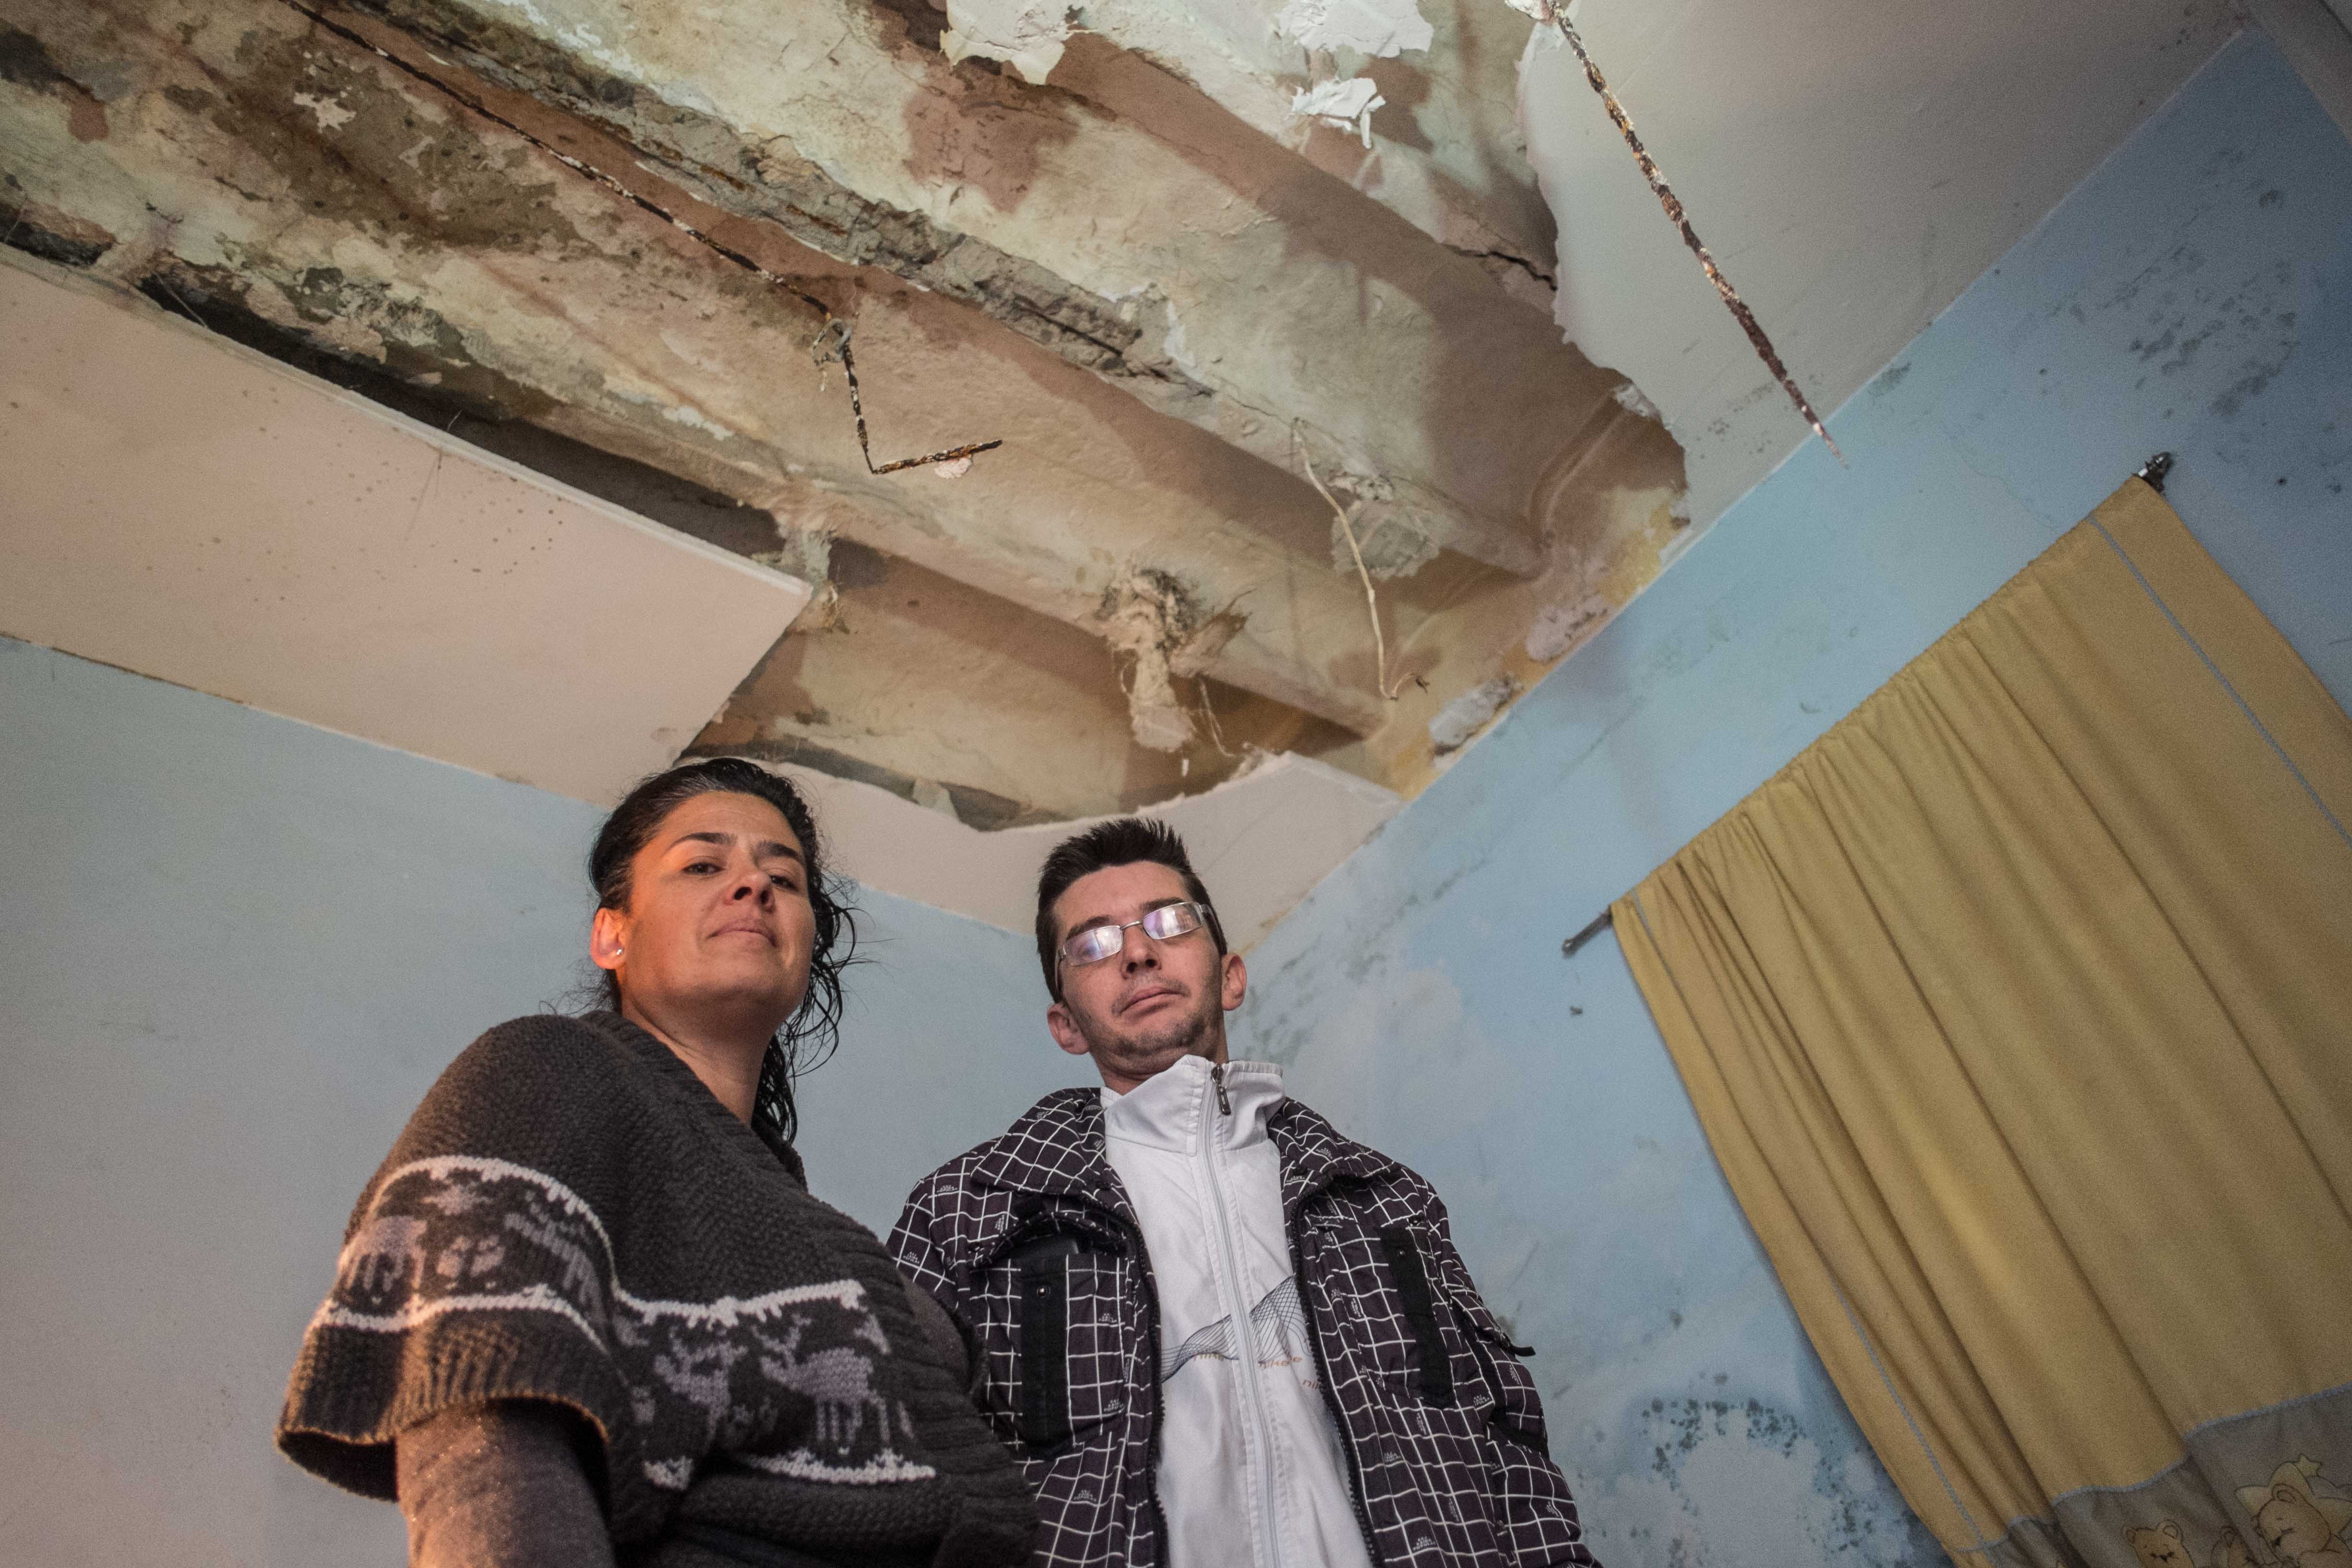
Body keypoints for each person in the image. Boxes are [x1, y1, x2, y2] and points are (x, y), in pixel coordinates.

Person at [277, 758, 1035, 1568]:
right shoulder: (540, 1072)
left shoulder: (785, 1217)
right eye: (703, 865)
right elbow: (487, 1442)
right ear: (613, 932)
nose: (754, 886)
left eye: (784, 875)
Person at [890, 819, 1599, 1568]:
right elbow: (899, 1471)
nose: (1137, 951)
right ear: (1066, 1025)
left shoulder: (1383, 1199)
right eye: (1092, 944)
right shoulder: (971, 1209)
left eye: (1169, 921)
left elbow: (1511, 1453)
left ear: (1230, 974)